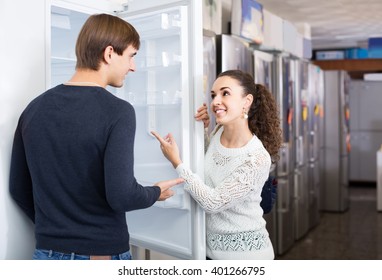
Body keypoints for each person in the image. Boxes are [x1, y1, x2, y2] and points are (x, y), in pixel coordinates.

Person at [9, 13, 183, 260]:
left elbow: (18, 188)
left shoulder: (34, 109)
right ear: (109, 53)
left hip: (46, 253)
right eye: (131, 56)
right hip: (99, 255)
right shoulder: (118, 111)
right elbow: (121, 195)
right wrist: (155, 192)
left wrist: (58, 230)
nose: (133, 66)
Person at [152, 69, 282, 260]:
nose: (215, 101)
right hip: (210, 251)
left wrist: (176, 162)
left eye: (225, 93)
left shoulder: (257, 158)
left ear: (247, 101)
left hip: (246, 256)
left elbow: (213, 202)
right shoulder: (218, 132)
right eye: (213, 95)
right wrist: (202, 129)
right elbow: (208, 164)